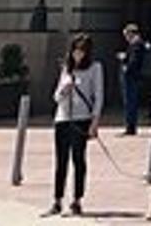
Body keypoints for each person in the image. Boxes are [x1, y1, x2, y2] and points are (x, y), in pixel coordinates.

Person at [48, 34, 102, 218]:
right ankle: (57, 200)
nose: (78, 54)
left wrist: (94, 123)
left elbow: (98, 97)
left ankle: (77, 199)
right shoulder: (66, 69)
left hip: (81, 119)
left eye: (81, 51)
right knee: (60, 160)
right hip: (62, 118)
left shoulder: (95, 68)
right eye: (75, 50)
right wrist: (64, 90)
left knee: (78, 159)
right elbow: (55, 97)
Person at [116, 22, 151, 137]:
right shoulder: (140, 44)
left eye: (126, 35)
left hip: (131, 77)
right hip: (135, 77)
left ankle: (130, 127)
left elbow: (134, 61)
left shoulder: (136, 45)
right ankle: (130, 126)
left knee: (130, 102)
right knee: (131, 102)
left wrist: (124, 63)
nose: (126, 38)